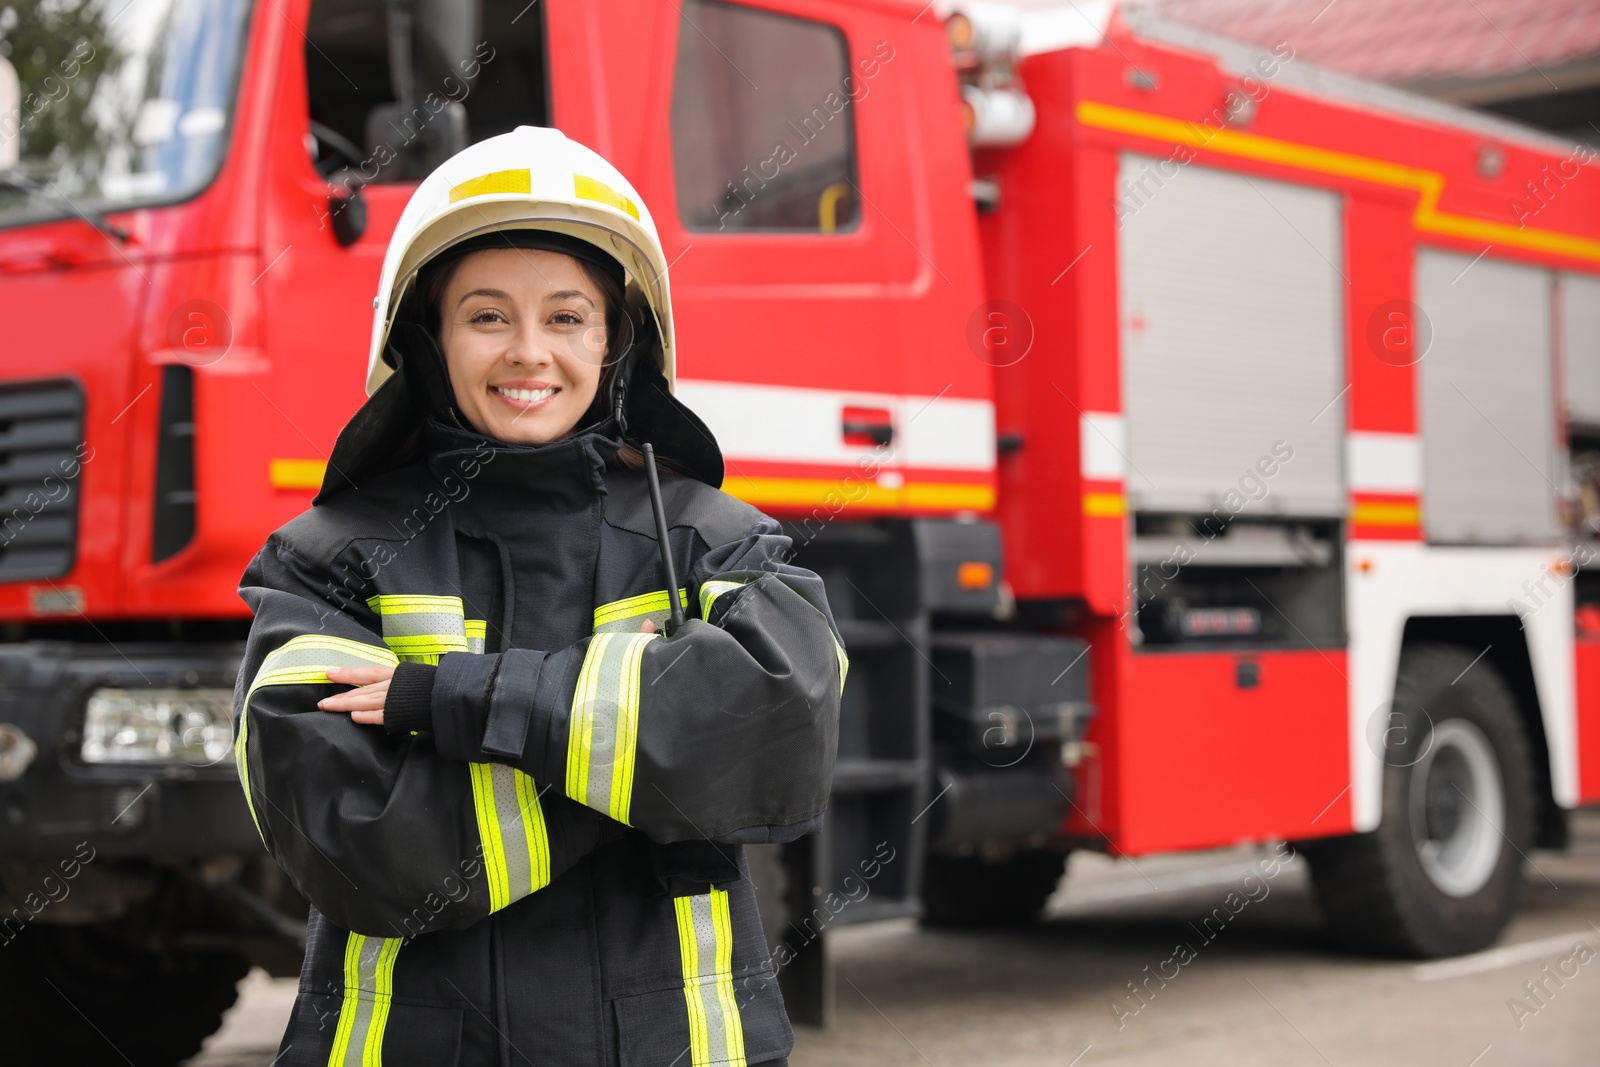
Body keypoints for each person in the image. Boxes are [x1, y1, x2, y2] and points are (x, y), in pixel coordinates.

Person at [232, 126, 846, 1066]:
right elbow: (361, 845)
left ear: (616, 342)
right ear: (426, 338)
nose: (529, 353)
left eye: (567, 317)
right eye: (487, 316)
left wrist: (448, 700)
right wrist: (659, 767)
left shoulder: (715, 542)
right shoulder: (328, 561)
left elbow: (783, 727)